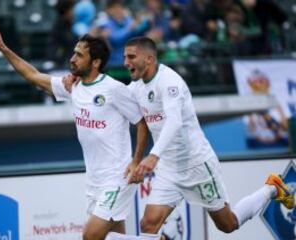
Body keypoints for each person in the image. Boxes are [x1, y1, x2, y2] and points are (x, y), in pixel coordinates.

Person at [105, 36, 295, 240]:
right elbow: (108, 99)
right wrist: (80, 86)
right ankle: (167, 234)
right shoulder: (136, 88)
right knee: (148, 224)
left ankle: (272, 188)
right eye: (125, 57)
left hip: (197, 164)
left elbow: (174, 122)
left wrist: (153, 156)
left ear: (149, 58)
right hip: (169, 168)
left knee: (228, 224)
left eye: (131, 57)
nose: (125, 63)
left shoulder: (170, 82)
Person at [0, 19, 148, 240]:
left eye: (79, 55)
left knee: (90, 236)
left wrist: (137, 161)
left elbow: (142, 122)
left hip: (117, 177)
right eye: (74, 53)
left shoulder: (114, 89)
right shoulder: (73, 86)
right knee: (113, 236)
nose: (72, 59)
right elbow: (32, 76)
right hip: (94, 181)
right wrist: (3, 48)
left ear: (95, 62)